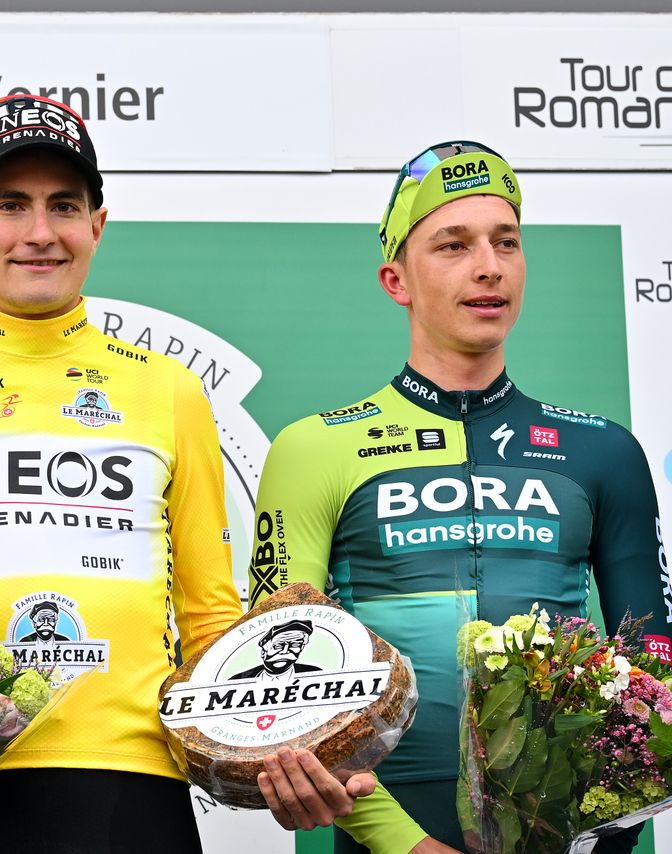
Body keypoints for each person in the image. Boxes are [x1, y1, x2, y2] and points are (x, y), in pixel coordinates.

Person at [0, 94, 371, 854]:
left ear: (97, 227)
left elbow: (210, 623)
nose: (40, 233)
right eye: (10, 205)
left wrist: (282, 749)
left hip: (133, 783)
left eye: (64, 206)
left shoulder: (172, 389)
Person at [247, 140, 671, 853]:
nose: (489, 266)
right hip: (389, 834)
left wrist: (603, 829)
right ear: (396, 279)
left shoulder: (605, 451)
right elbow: (278, 681)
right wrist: (403, 846)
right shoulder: (313, 449)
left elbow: (655, 672)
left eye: (506, 242)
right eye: (454, 244)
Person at [229, 620, 322, 681]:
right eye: (278, 645)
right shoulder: (238, 680)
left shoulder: (316, 676)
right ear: (263, 652)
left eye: (295, 645)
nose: (285, 651)